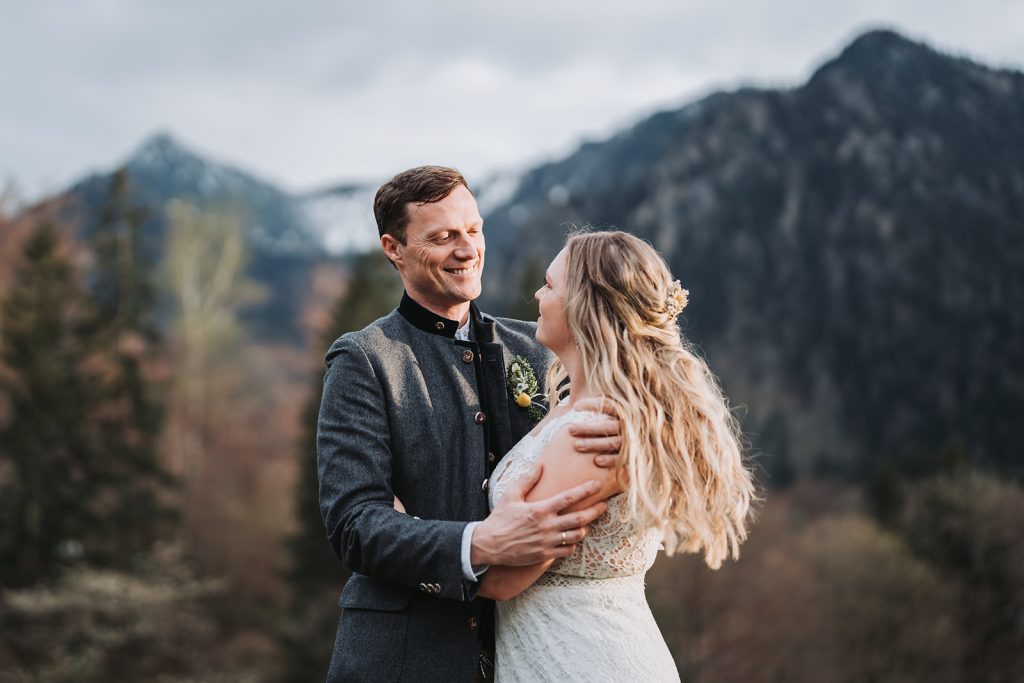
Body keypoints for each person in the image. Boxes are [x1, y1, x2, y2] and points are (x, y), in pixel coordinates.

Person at [316, 166, 621, 682]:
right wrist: (478, 543)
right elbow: (354, 523)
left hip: (532, 653)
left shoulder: (540, 347)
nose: (467, 249)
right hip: (403, 659)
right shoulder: (364, 359)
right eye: (442, 238)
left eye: (474, 230)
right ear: (394, 249)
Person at [479, 230, 757, 681]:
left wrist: (405, 525)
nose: (537, 296)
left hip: (580, 662)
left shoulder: (594, 432)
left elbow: (502, 579)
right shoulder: (576, 409)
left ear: (584, 308)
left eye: (549, 286)